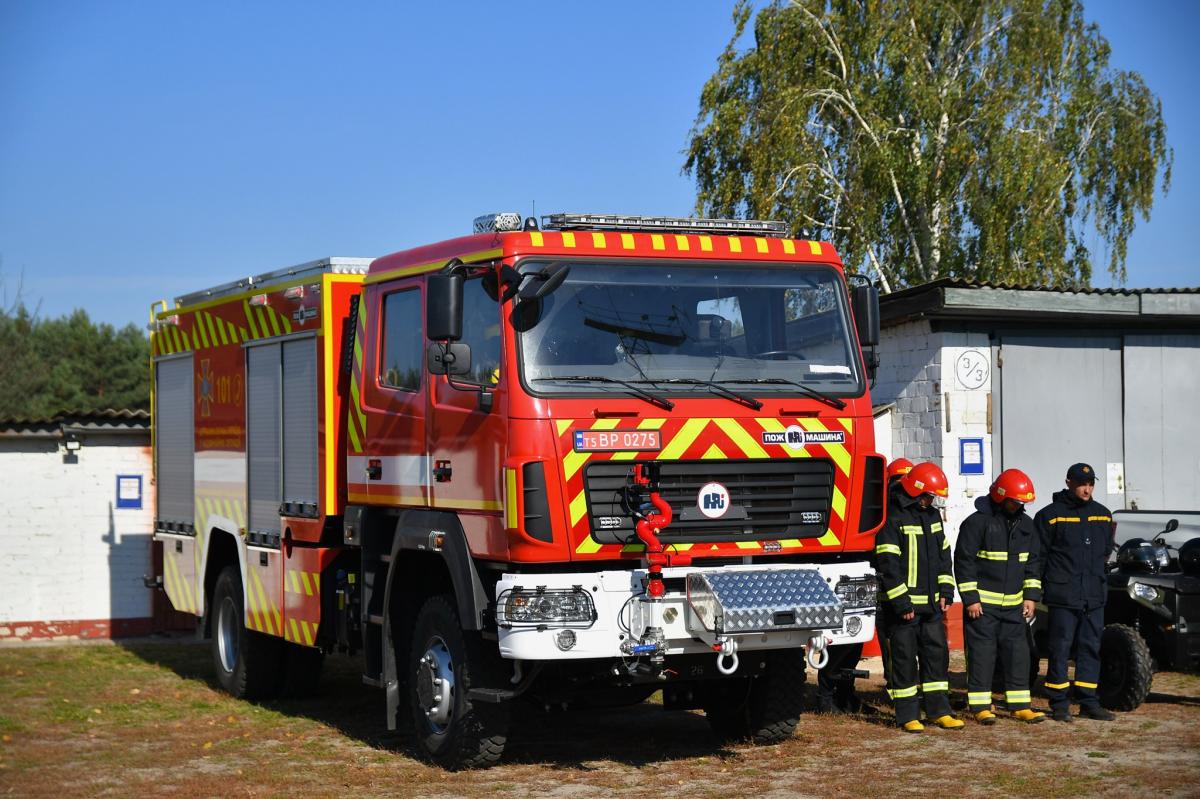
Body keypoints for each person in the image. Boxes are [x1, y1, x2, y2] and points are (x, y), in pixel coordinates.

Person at [814, 456, 914, 714]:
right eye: (899, 482)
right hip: (852, 582)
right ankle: (826, 698)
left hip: (873, 588)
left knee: (854, 646)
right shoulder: (869, 507)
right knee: (840, 643)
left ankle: (846, 696)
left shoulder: (902, 515)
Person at [874, 462, 963, 732]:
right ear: (916, 490)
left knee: (936, 657)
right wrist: (902, 602)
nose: (931, 500)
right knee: (904, 659)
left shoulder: (932, 516)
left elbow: (943, 556)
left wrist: (947, 590)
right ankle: (908, 715)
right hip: (905, 607)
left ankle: (939, 711)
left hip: (932, 605)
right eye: (929, 495)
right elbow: (888, 564)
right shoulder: (893, 518)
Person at [955, 469, 1045, 725]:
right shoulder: (977, 522)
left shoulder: (1027, 526)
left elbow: (1032, 564)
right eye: (1015, 502)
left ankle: (1020, 706)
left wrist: (1030, 597)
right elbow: (964, 561)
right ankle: (981, 707)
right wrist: (971, 598)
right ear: (1000, 496)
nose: (1018, 507)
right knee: (982, 655)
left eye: (1022, 503)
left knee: (1019, 655)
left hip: (1014, 607)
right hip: (982, 607)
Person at [1033, 463, 1117, 722]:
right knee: (1060, 648)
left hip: (1093, 595)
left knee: (1091, 647)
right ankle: (1059, 702)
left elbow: (1104, 551)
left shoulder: (1102, 514)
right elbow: (1038, 557)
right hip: (1064, 595)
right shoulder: (1050, 515)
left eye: (1091, 483)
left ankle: (1088, 701)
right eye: (1082, 483)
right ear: (1069, 482)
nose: (1087, 488)